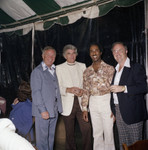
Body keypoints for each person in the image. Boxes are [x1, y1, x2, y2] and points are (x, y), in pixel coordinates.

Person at [110, 42, 147, 150]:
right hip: (119, 110)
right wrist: (113, 108)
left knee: (135, 144)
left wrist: (124, 88)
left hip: (133, 112)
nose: (117, 53)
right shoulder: (115, 70)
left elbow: (144, 87)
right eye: (114, 51)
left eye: (120, 50)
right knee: (123, 143)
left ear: (126, 51)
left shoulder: (135, 67)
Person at [56, 44, 92, 150]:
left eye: (73, 53)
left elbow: (86, 85)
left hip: (82, 103)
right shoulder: (59, 68)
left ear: (76, 54)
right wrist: (69, 89)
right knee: (69, 133)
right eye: (69, 53)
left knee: (87, 129)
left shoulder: (82, 66)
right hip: (67, 104)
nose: (72, 56)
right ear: (64, 56)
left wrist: (82, 91)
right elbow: (57, 87)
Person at [82, 43, 115, 150]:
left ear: (101, 52)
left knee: (109, 133)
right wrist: (84, 109)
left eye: (96, 50)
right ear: (89, 54)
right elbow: (86, 90)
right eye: (91, 51)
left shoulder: (110, 69)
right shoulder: (87, 71)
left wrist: (114, 108)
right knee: (96, 133)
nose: (94, 53)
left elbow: (114, 90)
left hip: (106, 101)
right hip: (93, 102)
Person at [31, 46, 63, 150]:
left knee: (50, 139)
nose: (51, 57)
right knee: (42, 141)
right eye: (48, 55)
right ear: (43, 56)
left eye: (53, 55)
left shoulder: (54, 70)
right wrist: (42, 110)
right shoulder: (37, 72)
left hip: (53, 111)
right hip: (43, 112)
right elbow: (36, 93)